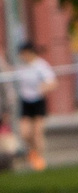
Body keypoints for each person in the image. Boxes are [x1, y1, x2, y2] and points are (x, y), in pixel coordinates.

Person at [13, 39, 56, 171]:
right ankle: (32, 152)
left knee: (37, 133)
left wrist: (43, 88)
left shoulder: (41, 66)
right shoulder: (21, 66)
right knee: (25, 132)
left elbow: (52, 82)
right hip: (25, 101)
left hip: (38, 101)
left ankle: (39, 159)